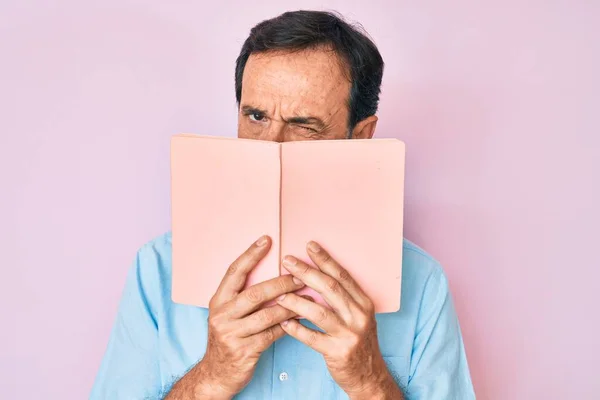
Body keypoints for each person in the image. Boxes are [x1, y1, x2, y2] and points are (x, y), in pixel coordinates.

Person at [91, 10, 475, 400]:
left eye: (304, 124)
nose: (271, 145)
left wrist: (368, 382)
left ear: (361, 136)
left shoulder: (423, 284)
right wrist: (211, 375)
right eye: (256, 116)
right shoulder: (157, 269)